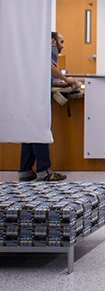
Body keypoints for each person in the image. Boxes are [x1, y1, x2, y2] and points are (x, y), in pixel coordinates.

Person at [19, 32, 71, 182]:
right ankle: (45, 172)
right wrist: (65, 79)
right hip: (37, 96)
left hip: (27, 94)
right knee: (40, 130)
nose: (62, 45)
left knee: (29, 132)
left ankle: (25, 172)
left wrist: (56, 83)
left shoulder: (33, 50)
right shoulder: (51, 48)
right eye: (61, 41)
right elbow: (48, 67)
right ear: (53, 40)